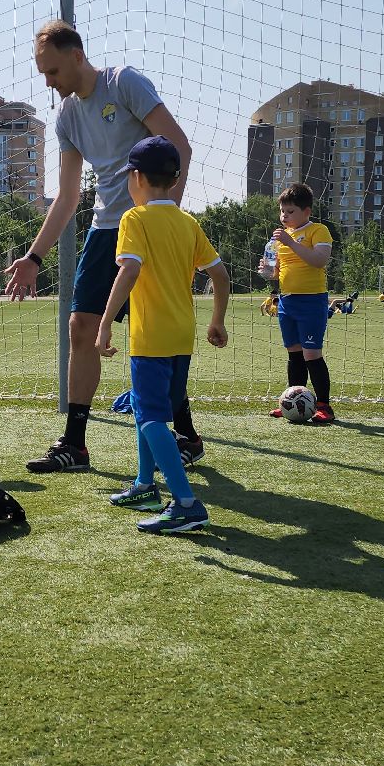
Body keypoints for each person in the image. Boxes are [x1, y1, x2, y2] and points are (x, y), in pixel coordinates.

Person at [4, 20, 198, 474]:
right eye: (42, 74)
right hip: (105, 229)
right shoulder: (67, 117)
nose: (48, 83)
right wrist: (33, 257)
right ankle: (75, 444)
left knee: (155, 335)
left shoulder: (124, 83)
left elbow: (180, 148)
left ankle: (186, 435)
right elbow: (69, 197)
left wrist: (163, 219)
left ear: (77, 56)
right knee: (80, 327)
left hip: (148, 226)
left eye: (52, 71)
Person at [94, 137, 229, 534]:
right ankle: (144, 486)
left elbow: (130, 269)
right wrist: (217, 321)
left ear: (136, 177)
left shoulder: (134, 219)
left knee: (152, 418)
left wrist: (105, 322)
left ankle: (186, 504)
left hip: (151, 336)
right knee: (145, 408)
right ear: (174, 179)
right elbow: (220, 275)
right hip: (182, 334)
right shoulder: (188, 223)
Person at [260, 182, 336, 424]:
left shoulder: (318, 230)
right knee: (294, 354)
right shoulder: (280, 239)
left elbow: (319, 260)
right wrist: (268, 271)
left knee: (311, 354)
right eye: (282, 211)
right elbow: (279, 272)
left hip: (311, 301)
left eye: (290, 211)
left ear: (306, 211)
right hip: (287, 301)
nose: (284, 216)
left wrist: (290, 243)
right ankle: (291, 402)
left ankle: (324, 405)